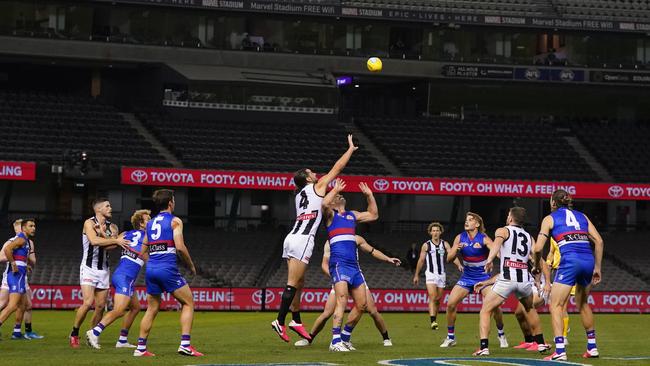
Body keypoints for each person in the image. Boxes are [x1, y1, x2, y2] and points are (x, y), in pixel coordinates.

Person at [271, 135, 357, 343]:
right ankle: (280, 321)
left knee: (300, 282)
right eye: (312, 173)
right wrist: (350, 150)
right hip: (303, 239)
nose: (315, 173)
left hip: (291, 237)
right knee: (292, 284)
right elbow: (337, 168)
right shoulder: (316, 187)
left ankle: (296, 320)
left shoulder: (299, 193)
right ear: (308, 178)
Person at [322, 179, 397, 351]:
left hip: (354, 267)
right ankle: (335, 342)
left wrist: (370, 196)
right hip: (339, 264)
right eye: (336, 195)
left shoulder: (352, 215)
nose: (339, 195)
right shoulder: (330, 216)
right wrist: (334, 190)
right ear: (333, 202)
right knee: (341, 301)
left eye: (341, 194)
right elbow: (324, 202)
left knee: (362, 305)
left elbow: (374, 215)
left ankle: (345, 338)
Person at [533, 189, 604, 361]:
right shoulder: (583, 216)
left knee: (556, 305)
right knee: (582, 304)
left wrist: (536, 265)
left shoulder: (549, 218)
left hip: (570, 262)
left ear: (553, 203)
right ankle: (592, 347)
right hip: (587, 260)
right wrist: (597, 268)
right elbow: (599, 241)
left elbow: (536, 248)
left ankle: (559, 350)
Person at [294, 235, 398, 348]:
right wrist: (336, 278)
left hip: (355, 276)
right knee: (327, 313)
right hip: (340, 277)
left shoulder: (357, 238)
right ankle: (309, 339)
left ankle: (385, 338)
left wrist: (388, 258)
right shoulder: (330, 241)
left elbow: (373, 251)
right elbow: (324, 264)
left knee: (371, 310)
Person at [471, 207, 549, 356]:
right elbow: (537, 255)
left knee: (485, 310)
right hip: (524, 280)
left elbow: (496, 245)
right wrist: (538, 275)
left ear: (511, 218)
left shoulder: (503, 230)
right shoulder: (528, 236)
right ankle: (540, 344)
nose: (507, 217)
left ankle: (483, 347)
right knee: (529, 309)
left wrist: (489, 260)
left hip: (507, 278)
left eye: (508, 215)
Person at [134, 189, 202, 357]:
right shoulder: (175, 221)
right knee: (188, 303)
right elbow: (179, 247)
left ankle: (140, 348)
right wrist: (191, 265)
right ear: (170, 202)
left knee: (152, 308)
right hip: (167, 269)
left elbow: (142, 251)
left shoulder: (149, 224)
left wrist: (154, 263)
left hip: (151, 270)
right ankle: (185, 345)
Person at [86, 209, 151, 349]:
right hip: (125, 277)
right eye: (148, 219)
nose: (151, 221)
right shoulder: (147, 237)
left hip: (121, 275)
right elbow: (146, 258)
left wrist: (102, 233)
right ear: (141, 223)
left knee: (135, 308)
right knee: (120, 310)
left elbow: (109, 246)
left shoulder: (125, 234)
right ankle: (94, 332)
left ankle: (122, 340)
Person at [441, 212, 508, 348]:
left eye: (471, 220)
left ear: (477, 224)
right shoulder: (460, 237)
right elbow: (448, 258)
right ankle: (450, 337)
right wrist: (455, 249)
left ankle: (501, 334)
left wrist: (499, 260)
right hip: (466, 277)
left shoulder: (483, 238)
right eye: (466, 220)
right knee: (450, 305)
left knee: (495, 307)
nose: (467, 222)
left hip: (483, 278)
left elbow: (496, 251)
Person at [70, 198, 129, 348]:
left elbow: (111, 248)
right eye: (107, 206)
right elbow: (94, 241)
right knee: (88, 302)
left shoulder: (113, 226)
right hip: (88, 268)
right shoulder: (89, 223)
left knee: (101, 306)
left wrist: (105, 235)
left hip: (103, 269)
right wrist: (113, 240)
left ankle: (92, 335)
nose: (110, 208)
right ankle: (74, 333)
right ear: (98, 209)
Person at [413, 222, 462, 330]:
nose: (435, 232)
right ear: (430, 232)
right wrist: (416, 275)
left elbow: (452, 255)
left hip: (441, 275)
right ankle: (433, 321)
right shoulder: (426, 245)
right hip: (430, 274)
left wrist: (459, 265)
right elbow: (421, 260)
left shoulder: (445, 244)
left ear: (440, 232)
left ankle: (434, 318)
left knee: (438, 299)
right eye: (433, 231)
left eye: (437, 231)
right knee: (432, 297)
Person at [0, 219, 44, 339]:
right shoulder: (20, 239)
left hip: (21, 275)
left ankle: (17, 333)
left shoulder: (25, 241)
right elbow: (7, 249)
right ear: (24, 228)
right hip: (17, 276)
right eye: (30, 226)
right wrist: (13, 263)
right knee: (12, 305)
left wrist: (26, 265)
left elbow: (18, 255)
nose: (33, 228)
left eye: (34, 225)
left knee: (24, 305)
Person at [547, 237, 573, 346]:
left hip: (567, 270)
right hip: (556, 271)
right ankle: (563, 329)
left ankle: (563, 336)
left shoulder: (571, 236)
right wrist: (548, 261)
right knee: (555, 305)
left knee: (563, 306)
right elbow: (551, 252)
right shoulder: (553, 237)